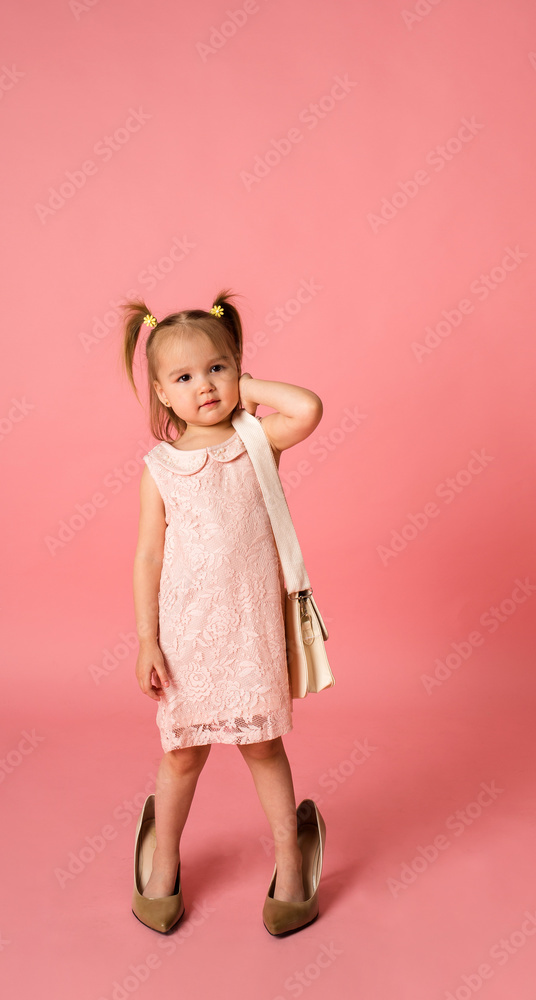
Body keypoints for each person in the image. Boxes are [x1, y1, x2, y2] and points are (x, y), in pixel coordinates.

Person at [120, 288, 326, 935]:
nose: (204, 385)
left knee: (263, 744)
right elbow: (148, 559)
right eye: (184, 377)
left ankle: (291, 858)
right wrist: (148, 640)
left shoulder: (257, 441)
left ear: (236, 369)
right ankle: (164, 860)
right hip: (187, 633)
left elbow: (309, 407)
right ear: (161, 393)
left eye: (217, 368)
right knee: (183, 754)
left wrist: (249, 384)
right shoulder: (160, 468)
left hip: (251, 627)